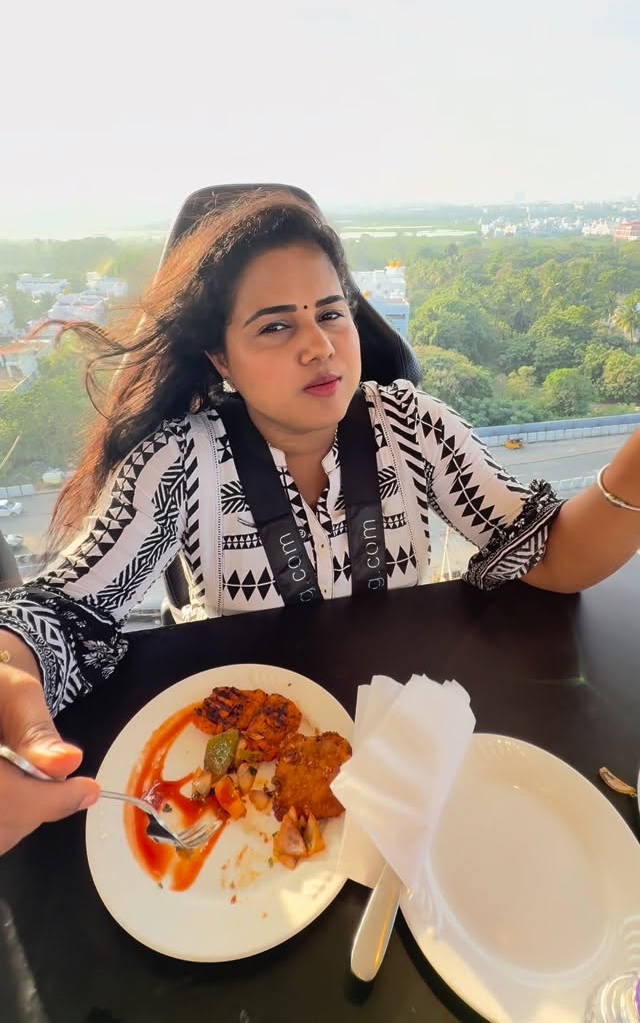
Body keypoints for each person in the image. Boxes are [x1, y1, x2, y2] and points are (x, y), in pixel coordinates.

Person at [1, 189, 639, 855]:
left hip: (402, 757)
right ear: (221, 359)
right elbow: (64, 609)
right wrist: (9, 673)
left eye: (331, 313)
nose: (318, 345)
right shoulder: (183, 462)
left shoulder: (413, 428)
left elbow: (548, 554)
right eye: (275, 327)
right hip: (252, 776)